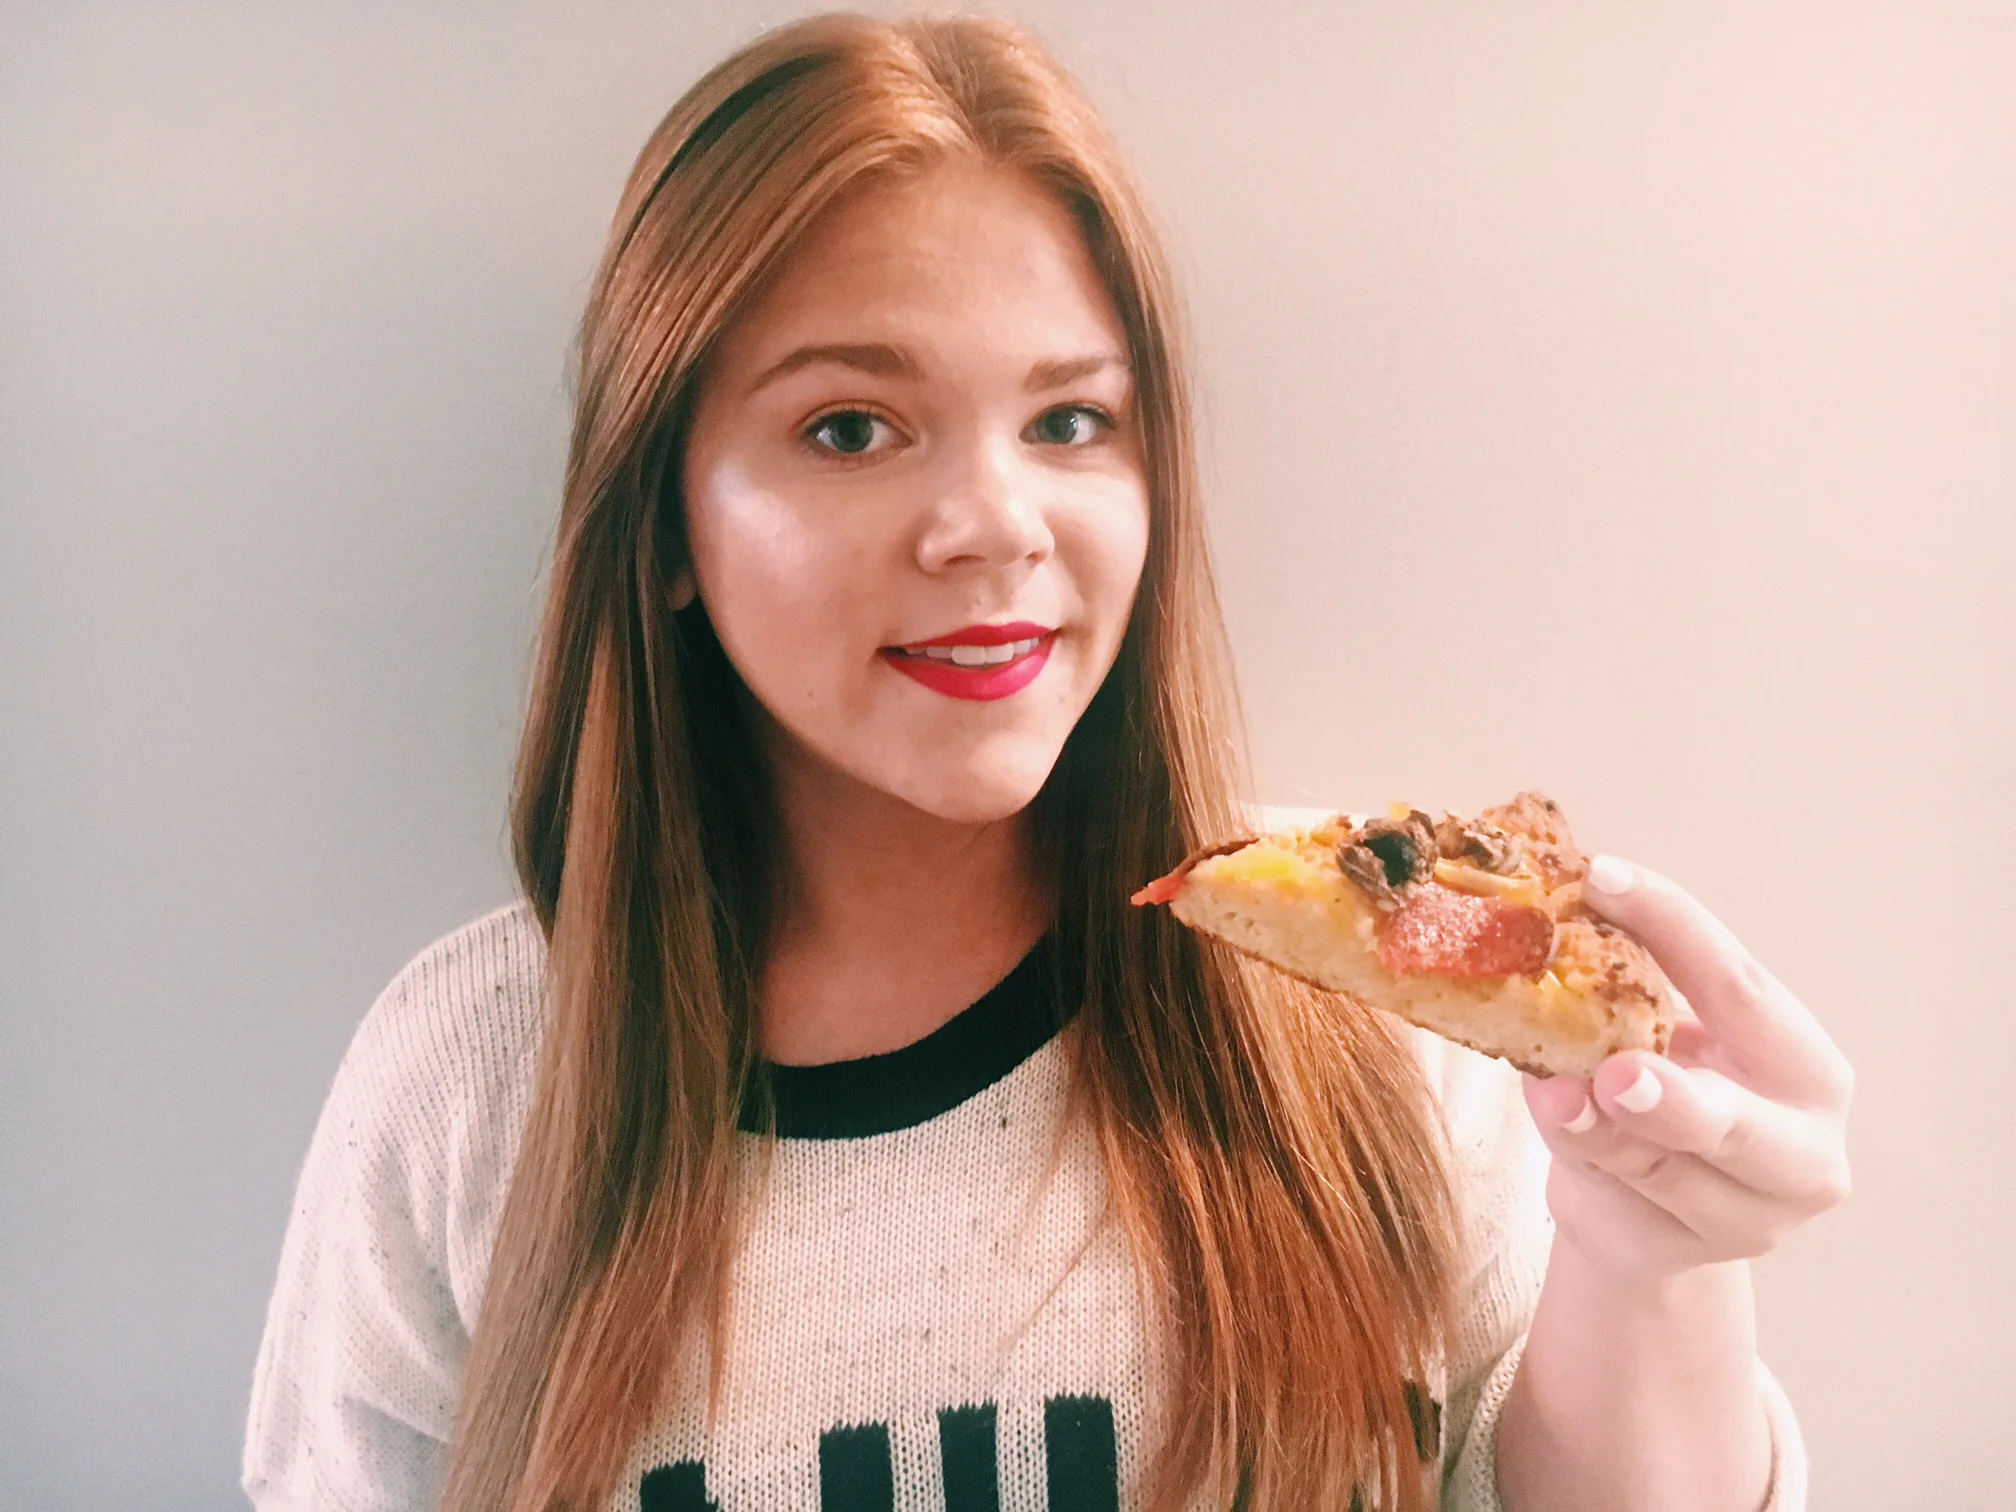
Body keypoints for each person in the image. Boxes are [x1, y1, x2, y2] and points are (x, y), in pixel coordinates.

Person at [241, 13, 1852, 1511]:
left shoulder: (1365, 990)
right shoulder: (468, 1086)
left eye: (1071, 422)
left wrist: (1660, 1260)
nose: (995, 527)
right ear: (662, 517)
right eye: (851, 429)